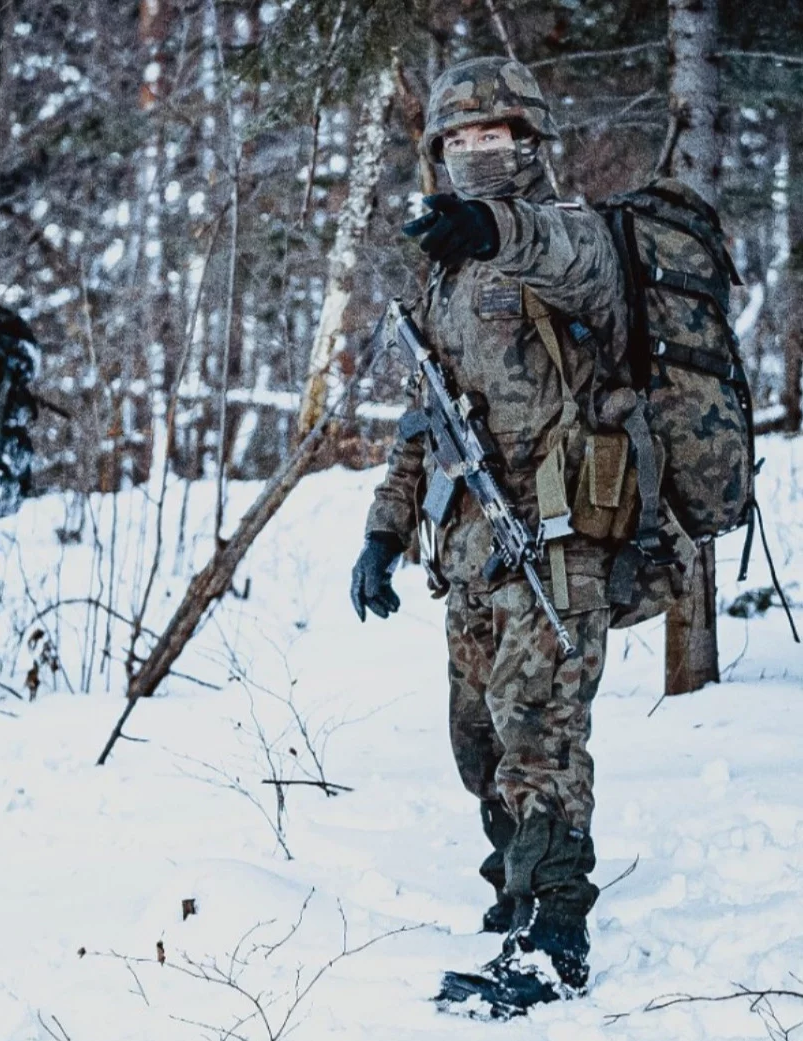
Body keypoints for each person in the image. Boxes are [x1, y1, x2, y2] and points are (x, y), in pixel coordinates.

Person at [350, 56, 637, 1015]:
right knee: (477, 744)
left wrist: (492, 224)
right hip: (470, 553)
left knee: (541, 741)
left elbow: (563, 254)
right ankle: (513, 894)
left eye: (495, 138)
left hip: (558, 544)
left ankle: (554, 933)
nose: (478, 155)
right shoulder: (444, 274)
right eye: (460, 142)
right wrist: (384, 533)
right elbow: (424, 419)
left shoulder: (574, 237)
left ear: (529, 143)